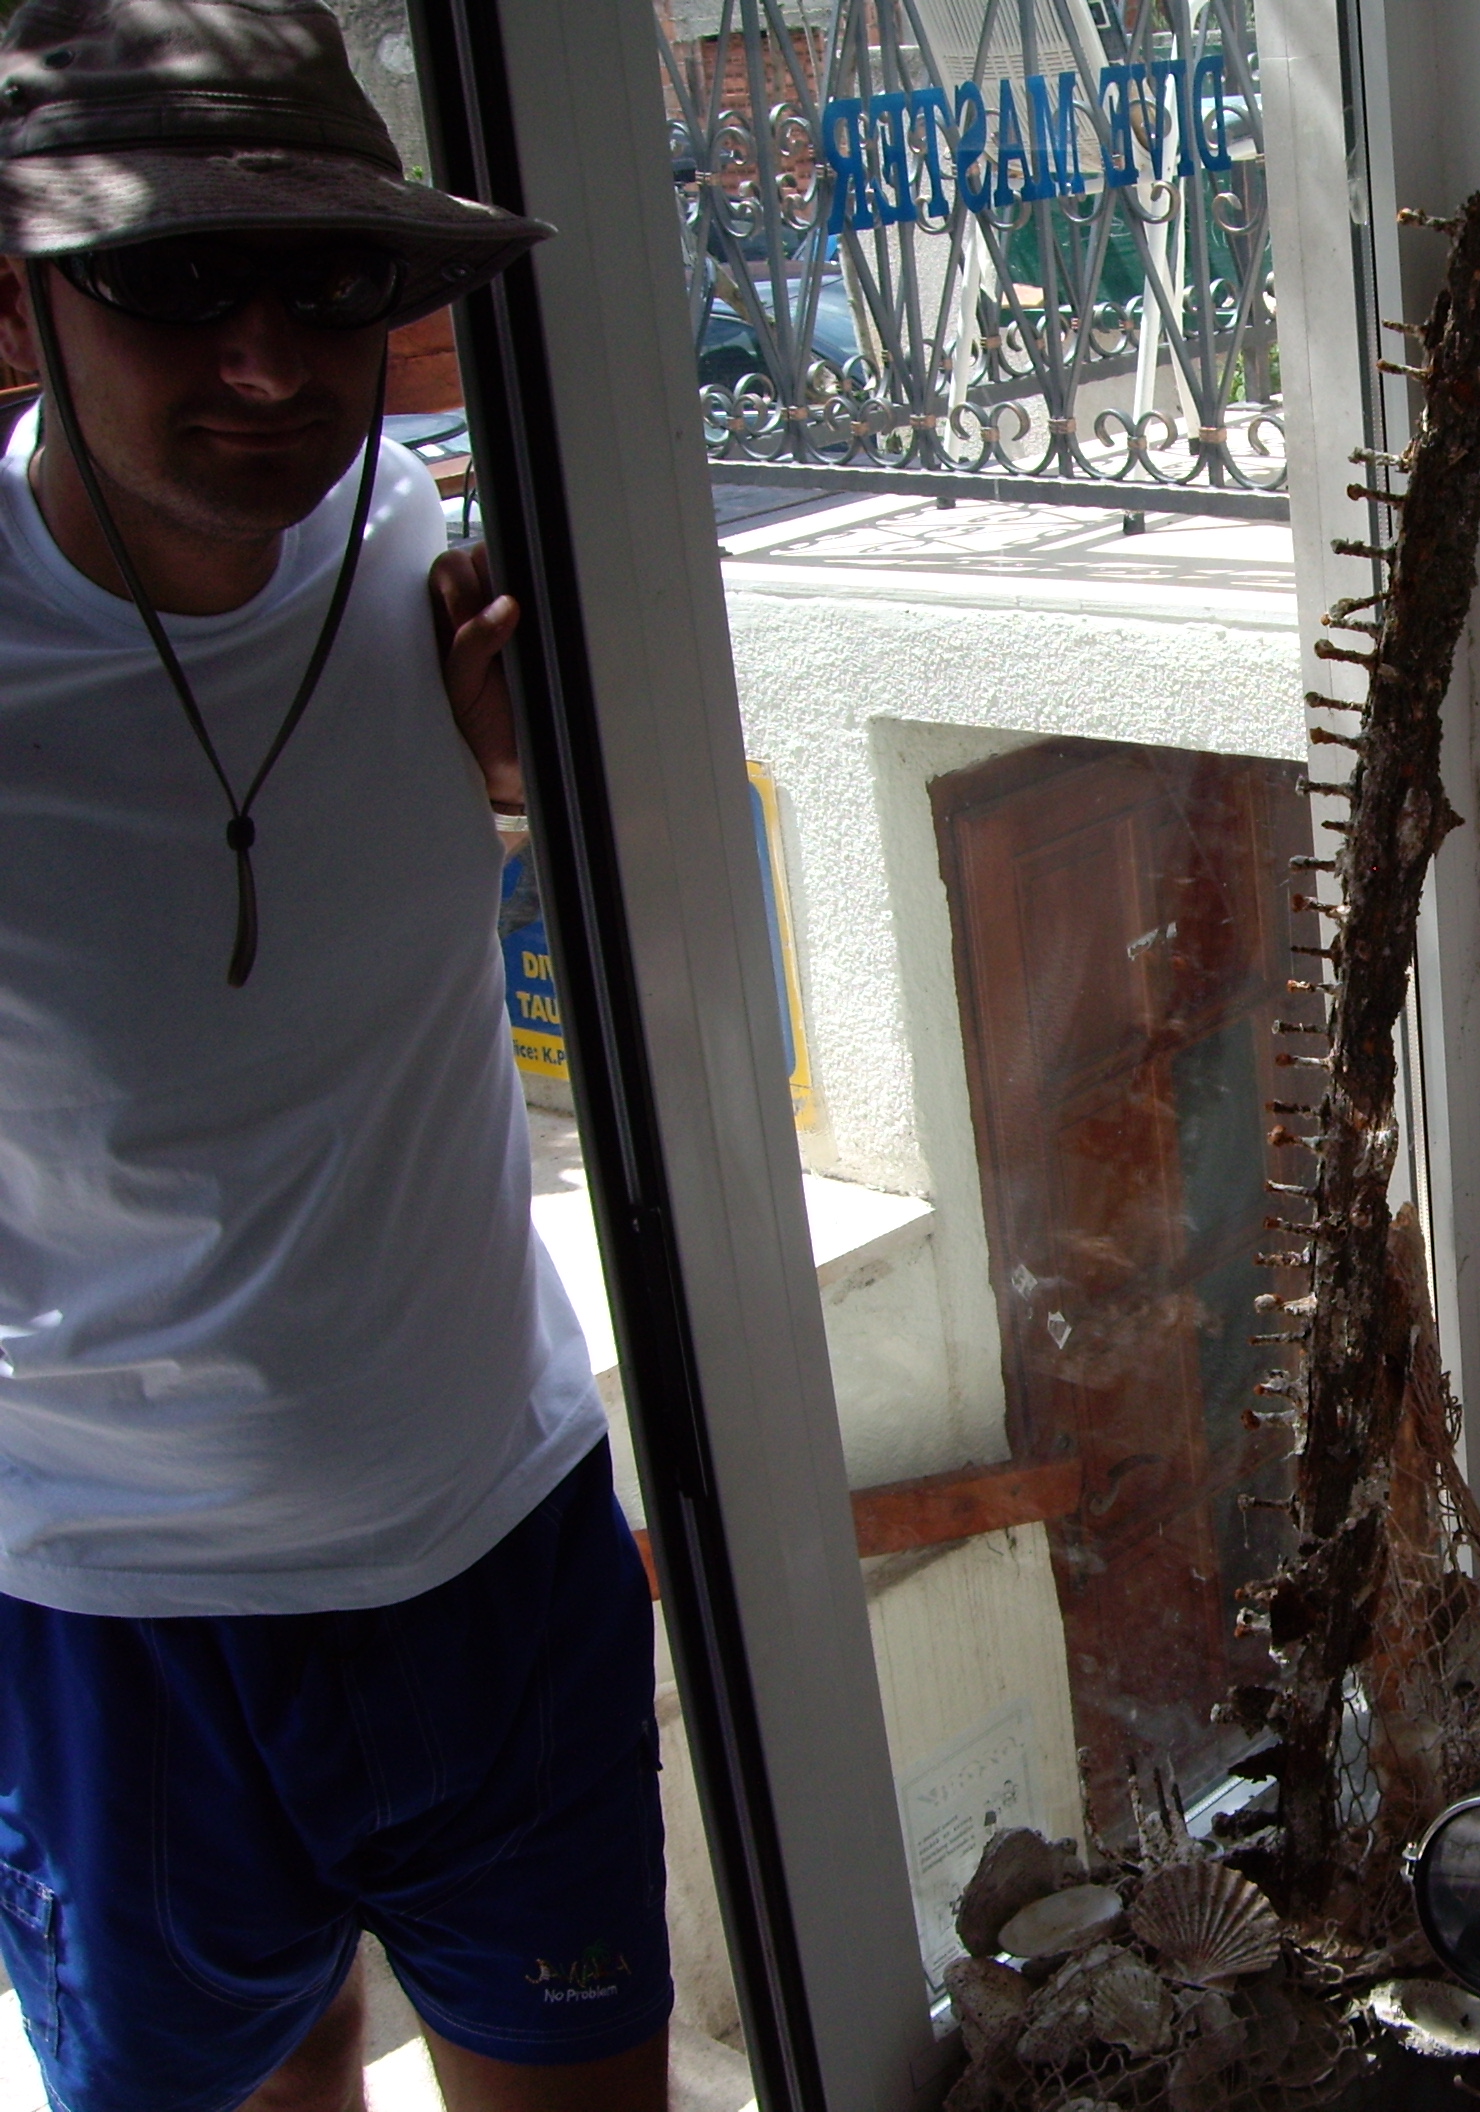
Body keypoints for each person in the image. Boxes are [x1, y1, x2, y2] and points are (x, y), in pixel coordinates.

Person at [0, 2, 673, 2106]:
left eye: (331, 284)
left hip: (494, 1559)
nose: (270, 362)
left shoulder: (437, 548)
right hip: (113, 1620)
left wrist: (520, 801)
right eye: (175, 280)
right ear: (23, 301)